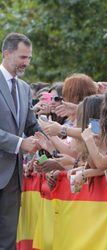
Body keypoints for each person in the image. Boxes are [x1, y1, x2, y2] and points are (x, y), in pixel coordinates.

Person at [0, 32, 40, 249]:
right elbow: (19, 138)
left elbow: (31, 125)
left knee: (7, 240)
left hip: (13, 177)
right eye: (23, 57)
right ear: (6, 54)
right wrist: (18, 143)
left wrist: (48, 137)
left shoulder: (25, 88)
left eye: (29, 58)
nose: (27, 62)